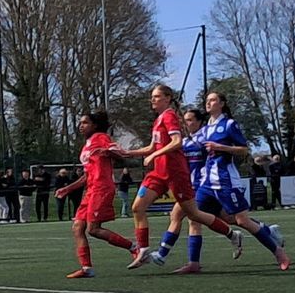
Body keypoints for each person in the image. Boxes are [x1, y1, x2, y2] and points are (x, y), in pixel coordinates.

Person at [120, 84, 241, 266]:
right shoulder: (158, 119)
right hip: (158, 173)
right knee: (137, 207)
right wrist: (128, 153)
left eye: (157, 96)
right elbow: (153, 147)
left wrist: (154, 155)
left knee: (194, 214)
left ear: (168, 98)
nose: (153, 99)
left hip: (176, 173)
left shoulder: (169, 116)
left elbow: (176, 142)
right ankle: (143, 250)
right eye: (152, 96)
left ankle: (232, 234)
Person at [58, 111, 138, 278]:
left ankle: (133, 248)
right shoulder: (87, 144)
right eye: (80, 123)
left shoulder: (101, 137)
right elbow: (87, 175)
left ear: (95, 125)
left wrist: (107, 151)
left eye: (85, 123)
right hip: (91, 189)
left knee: (93, 229)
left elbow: (120, 155)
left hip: (102, 188)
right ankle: (86, 268)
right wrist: (68, 188)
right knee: (78, 228)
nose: (81, 126)